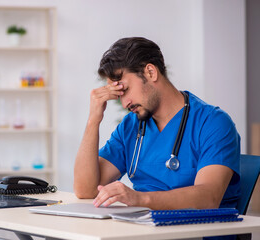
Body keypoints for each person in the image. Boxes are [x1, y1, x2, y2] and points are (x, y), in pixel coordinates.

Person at [74, 37, 240, 212]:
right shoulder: (131, 126)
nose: (124, 104)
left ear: (150, 72)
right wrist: (94, 120)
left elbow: (209, 198)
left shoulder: (213, 123)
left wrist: (138, 199)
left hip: (196, 232)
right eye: (119, 95)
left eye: (126, 89)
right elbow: (85, 190)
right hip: (142, 229)